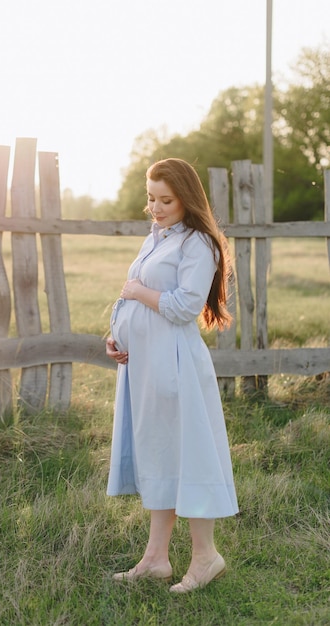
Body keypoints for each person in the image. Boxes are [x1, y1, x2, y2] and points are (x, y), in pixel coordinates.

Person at [105, 158, 238, 594]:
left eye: (166, 200)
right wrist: (116, 334)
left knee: (187, 453)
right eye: (152, 199)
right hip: (144, 364)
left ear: (187, 198)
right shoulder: (156, 237)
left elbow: (182, 306)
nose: (156, 208)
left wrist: (136, 293)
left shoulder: (199, 244)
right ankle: (155, 558)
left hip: (174, 363)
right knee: (159, 452)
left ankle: (205, 557)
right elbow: (135, 293)